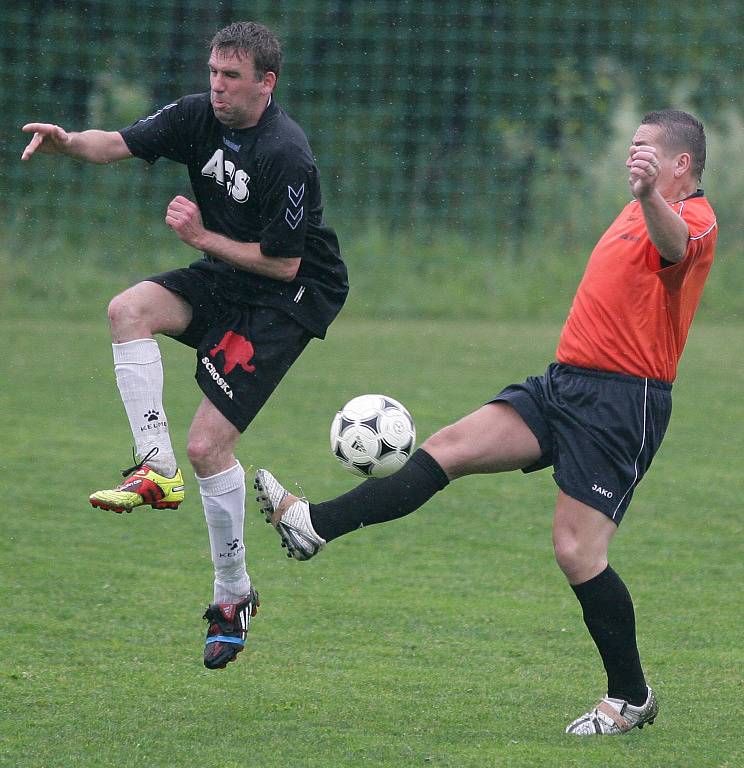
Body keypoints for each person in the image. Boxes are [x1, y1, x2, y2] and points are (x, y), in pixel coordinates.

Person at [255, 110, 717, 734]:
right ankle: (314, 527)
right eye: (631, 148)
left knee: (577, 551)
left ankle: (630, 697)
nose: (631, 156)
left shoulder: (692, 216)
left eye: (644, 149)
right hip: (565, 383)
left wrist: (647, 194)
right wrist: (642, 193)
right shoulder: (640, 203)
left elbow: (673, 249)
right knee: (449, 448)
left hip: (621, 403)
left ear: (680, 163)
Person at [21, 21, 348, 670]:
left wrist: (201, 238)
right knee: (128, 310)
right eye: (214, 74)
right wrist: (67, 142)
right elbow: (115, 142)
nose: (218, 87)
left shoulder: (286, 153)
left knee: (209, 446)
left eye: (232, 77)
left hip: (288, 297)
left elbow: (284, 265)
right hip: (226, 273)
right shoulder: (198, 117)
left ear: (266, 83)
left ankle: (232, 599)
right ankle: (154, 469)